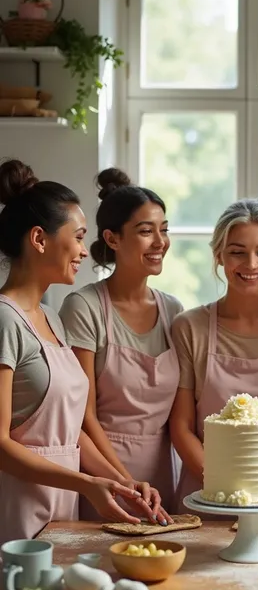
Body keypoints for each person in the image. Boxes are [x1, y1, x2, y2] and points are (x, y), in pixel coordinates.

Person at [0, 159, 156, 543]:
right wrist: (86, 484)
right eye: (79, 237)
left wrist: (123, 483)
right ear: (39, 239)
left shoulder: (52, 319)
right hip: (17, 508)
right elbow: (0, 445)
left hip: (61, 508)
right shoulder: (4, 320)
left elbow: (69, 434)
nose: (85, 252)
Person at [170, 199, 258, 519]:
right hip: (205, 497)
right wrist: (229, 491)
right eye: (237, 251)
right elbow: (181, 427)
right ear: (219, 255)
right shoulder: (189, 328)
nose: (251, 264)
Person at [60, 168, 182, 524]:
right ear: (112, 239)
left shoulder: (173, 310)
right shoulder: (84, 307)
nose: (160, 241)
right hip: (102, 474)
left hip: (161, 475)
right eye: (146, 231)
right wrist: (125, 482)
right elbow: (84, 414)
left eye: (164, 229)